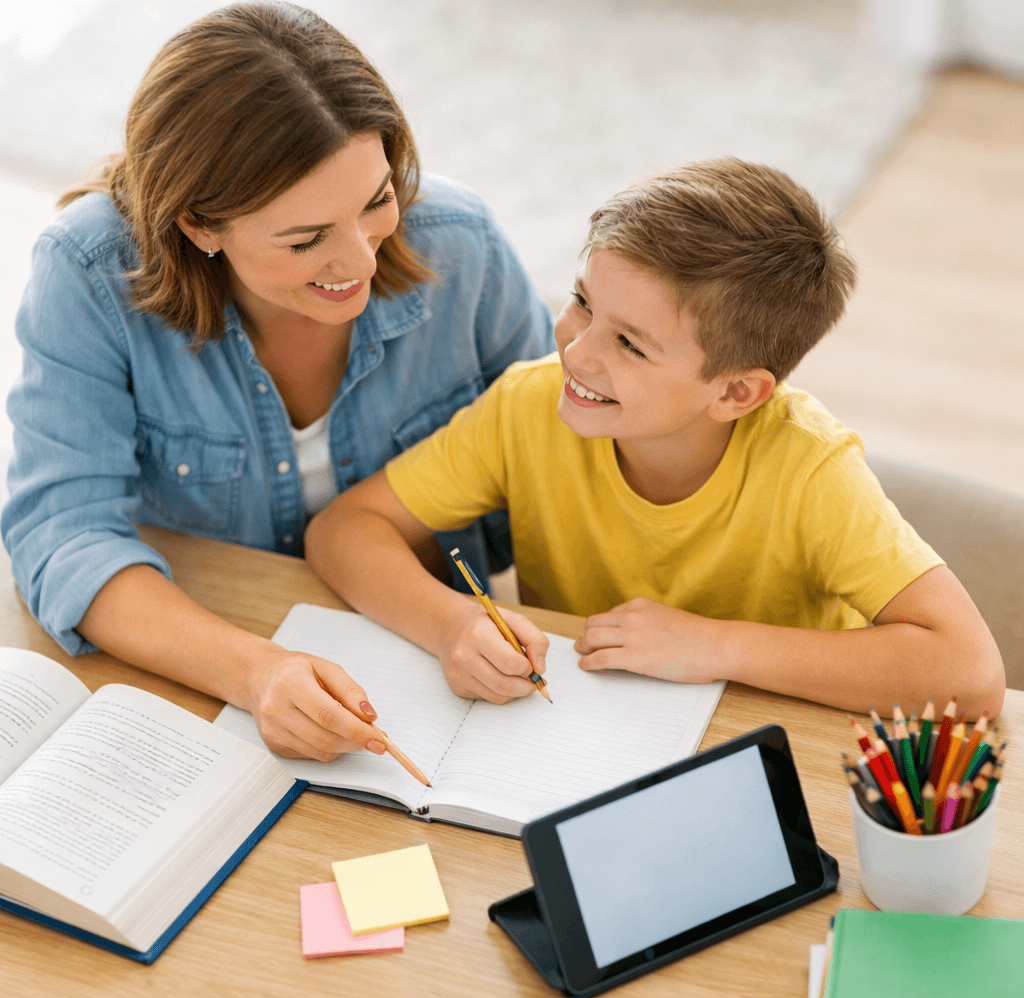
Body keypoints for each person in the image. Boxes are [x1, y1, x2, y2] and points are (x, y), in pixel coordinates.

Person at [1, 3, 553, 761]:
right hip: (209, 651)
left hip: (436, 659)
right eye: (305, 239)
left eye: (377, 200)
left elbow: (557, 472)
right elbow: (63, 532)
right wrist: (255, 673)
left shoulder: (465, 245)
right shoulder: (89, 273)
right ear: (199, 225)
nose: (360, 261)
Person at [304, 158, 1005, 720]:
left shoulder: (810, 471)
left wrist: (714, 645)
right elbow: (344, 529)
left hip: (780, 737)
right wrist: (451, 623)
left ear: (736, 392)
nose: (577, 353)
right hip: (593, 726)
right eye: (581, 302)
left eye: (631, 345)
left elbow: (969, 675)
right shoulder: (530, 405)